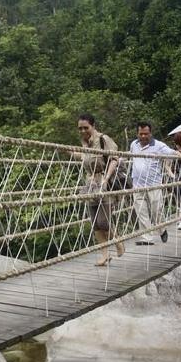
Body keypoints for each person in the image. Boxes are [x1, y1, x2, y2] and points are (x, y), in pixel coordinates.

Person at [77, 113, 125, 266]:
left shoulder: (103, 139)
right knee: (95, 224)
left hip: (104, 182)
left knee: (103, 221)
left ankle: (118, 241)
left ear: (93, 126)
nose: (83, 131)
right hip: (90, 184)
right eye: (80, 128)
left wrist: (105, 179)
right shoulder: (84, 143)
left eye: (86, 128)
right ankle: (105, 255)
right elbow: (84, 159)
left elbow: (114, 158)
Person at [130, 122, 178, 245]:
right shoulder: (133, 145)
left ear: (150, 133)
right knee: (141, 211)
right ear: (137, 134)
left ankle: (162, 229)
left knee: (157, 210)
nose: (143, 136)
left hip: (154, 184)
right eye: (141, 134)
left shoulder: (158, 145)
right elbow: (131, 158)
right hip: (137, 184)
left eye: (146, 133)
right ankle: (147, 238)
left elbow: (171, 153)